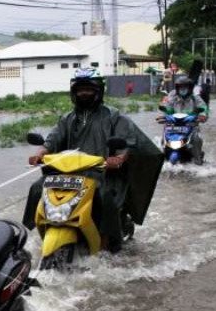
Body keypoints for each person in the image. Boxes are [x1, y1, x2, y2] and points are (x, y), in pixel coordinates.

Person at [22, 67, 143, 253]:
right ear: (74, 92)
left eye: (88, 89)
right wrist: (41, 152)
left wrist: (118, 158)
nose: (84, 93)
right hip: (67, 173)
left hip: (100, 173)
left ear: (98, 91)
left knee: (104, 197)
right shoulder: (67, 118)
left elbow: (126, 143)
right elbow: (52, 139)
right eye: (80, 90)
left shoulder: (113, 116)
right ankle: (34, 232)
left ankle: (108, 242)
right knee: (37, 187)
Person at [160, 76, 209, 165]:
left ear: (190, 88)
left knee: (196, 139)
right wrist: (164, 115)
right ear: (177, 88)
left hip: (191, 125)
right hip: (173, 126)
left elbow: (203, 107)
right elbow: (167, 107)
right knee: (163, 139)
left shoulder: (195, 98)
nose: (183, 89)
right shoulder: (172, 97)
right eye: (180, 87)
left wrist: (202, 116)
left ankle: (198, 160)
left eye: (185, 87)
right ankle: (163, 159)